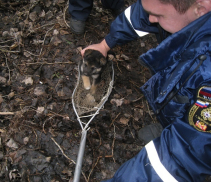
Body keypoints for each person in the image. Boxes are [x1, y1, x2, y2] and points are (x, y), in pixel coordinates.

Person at [81, 0, 211, 181]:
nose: (150, 18)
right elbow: (138, 16)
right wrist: (105, 44)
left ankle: (179, 129)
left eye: (158, 15)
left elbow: (182, 160)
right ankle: (171, 125)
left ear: (200, 9)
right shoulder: (184, 12)